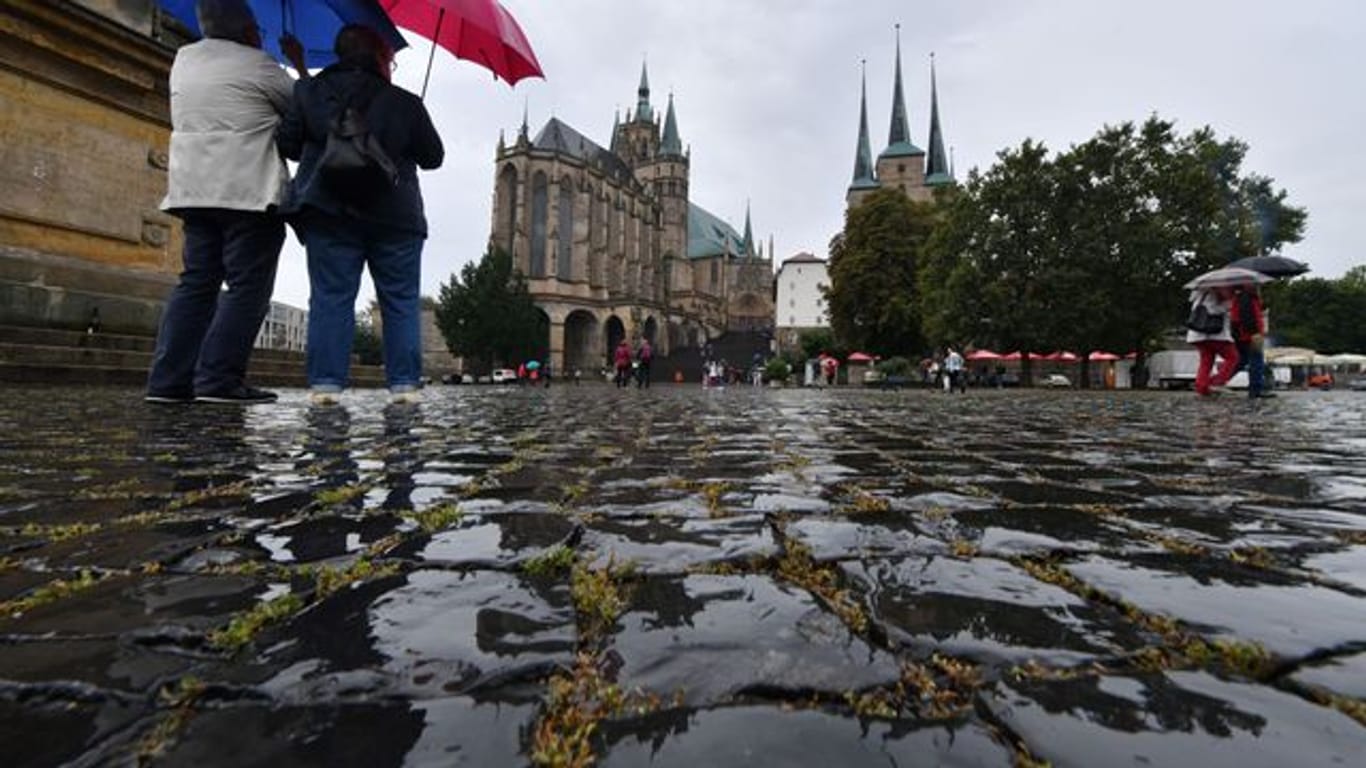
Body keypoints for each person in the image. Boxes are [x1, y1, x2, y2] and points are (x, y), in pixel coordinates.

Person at [146, 0, 308, 404]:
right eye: (255, 27)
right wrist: (299, 66)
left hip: (192, 190)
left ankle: (167, 382)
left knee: (196, 283)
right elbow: (304, 110)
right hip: (247, 191)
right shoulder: (259, 65)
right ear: (247, 30)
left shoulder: (183, 60)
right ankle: (217, 379)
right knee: (246, 288)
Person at [277, 24, 444, 405]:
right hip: (395, 214)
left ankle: (326, 388)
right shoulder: (405, 101)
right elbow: (433, 157)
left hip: (329, 206)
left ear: (338, 54)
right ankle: (404, 387)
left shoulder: (310, 91)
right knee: (400, 301)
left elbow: (288, 145)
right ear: (381, 58)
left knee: (331, 297)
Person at [1186, 287, 1240, 397]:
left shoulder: (1199, 295)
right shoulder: (1212, 295)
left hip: (1198, 335)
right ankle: (1217, 382)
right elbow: (1213, 310)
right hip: (1214, 335)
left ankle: (1202, 386)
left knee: (1206, 361)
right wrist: (1229, 303)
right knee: (1232, 357)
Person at [1231, 285, 1273, 399]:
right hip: (1250, 335)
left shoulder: (1242, 297)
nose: (1259, 287)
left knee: (1242, 360)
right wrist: (1255, 333)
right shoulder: (1247, 298)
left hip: (1242, 335)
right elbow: (1247, 317)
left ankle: (1218, 380)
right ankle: (1255, 390)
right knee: (1257, 361)